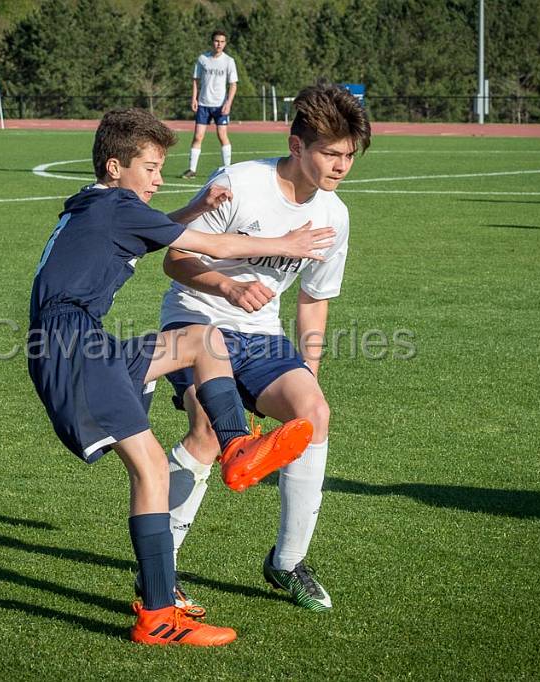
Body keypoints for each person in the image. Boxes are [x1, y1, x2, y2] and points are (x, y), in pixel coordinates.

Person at [27, 107, 336, 646]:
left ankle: (237, 444)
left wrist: (198, 204)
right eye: (150, 167)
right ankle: (158, 615)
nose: (158, 177)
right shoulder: (118, 205)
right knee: (148, 468)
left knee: (203, 340)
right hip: (71, 345)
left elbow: (165, 229)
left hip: (80, 341)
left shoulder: (99, 203)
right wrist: (284, 246)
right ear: (116, 166)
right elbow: (204, 245)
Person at [153, 83, 371, 615]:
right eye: (331, 153)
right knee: (207, 429)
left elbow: (314, 301)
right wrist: (226, 286)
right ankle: (161, 571)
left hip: (264, 338)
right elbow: (174, 259)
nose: (342, 166)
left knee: (312, 414)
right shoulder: (240, 184)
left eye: (349, 155)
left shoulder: (334, 217)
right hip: (197, 321)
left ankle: (287, 562)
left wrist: (309, 372)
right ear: (297, 146)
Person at [181, 30, 238, 179]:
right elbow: (195, 80)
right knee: (198, 137)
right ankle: (191, 170)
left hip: (220, 105)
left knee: (222, 135)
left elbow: (233, 85)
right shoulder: (202, 59)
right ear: (212, 42)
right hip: (204, 104)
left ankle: (227, 169)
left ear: (225, 44)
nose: (219, 44)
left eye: (222, 42)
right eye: (216, 41)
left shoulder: (229, 61)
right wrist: (194, 98)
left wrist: (228, 103)